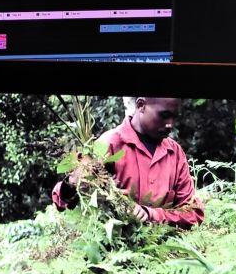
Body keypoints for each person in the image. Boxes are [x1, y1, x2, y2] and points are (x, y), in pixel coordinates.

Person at [52, 97, 205, 228]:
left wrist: (152, 215)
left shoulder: (175, 153)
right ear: (141, 105)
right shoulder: (109, 144)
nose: (170, 124)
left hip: (165, 249)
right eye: (164, 115)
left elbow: (193, 213)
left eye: (174, 117)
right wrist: (72, 183)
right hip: (113, 249)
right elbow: (61, 200)